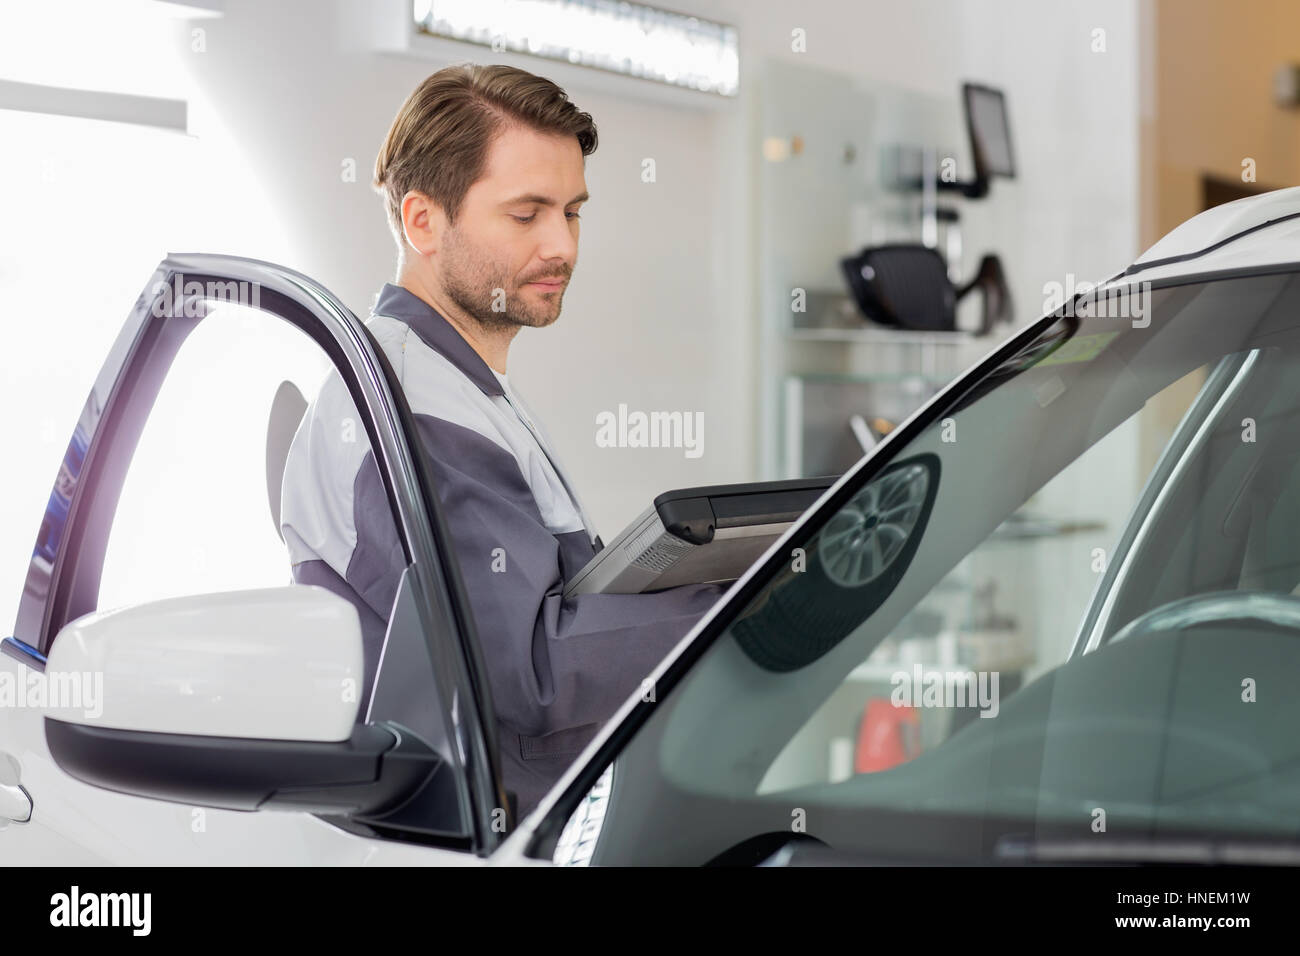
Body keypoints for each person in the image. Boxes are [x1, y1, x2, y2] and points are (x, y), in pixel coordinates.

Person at [279, 64, 722, 815]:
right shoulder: (414, 407)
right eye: (527, 215)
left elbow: (548, 596)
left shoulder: (460, 382)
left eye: (573, 212)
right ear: (422, 221)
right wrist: (734, 606)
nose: (562, 247)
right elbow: (528, 672)